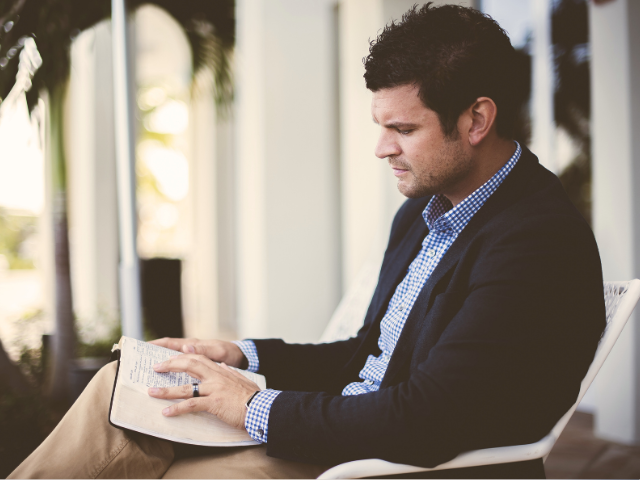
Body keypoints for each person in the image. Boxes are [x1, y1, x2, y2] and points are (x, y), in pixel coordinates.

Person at [11, 3, 605, 479]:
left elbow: (428, 416)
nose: (382, 149)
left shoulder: (536, 241)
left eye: (403, 129)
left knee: (172, 465)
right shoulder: (427, 212)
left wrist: (246, 406)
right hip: (353, 431)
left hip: (405, 462)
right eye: (381, 127)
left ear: (476, 121)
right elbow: (366, 355)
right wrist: (241, 357)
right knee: (125, 386)